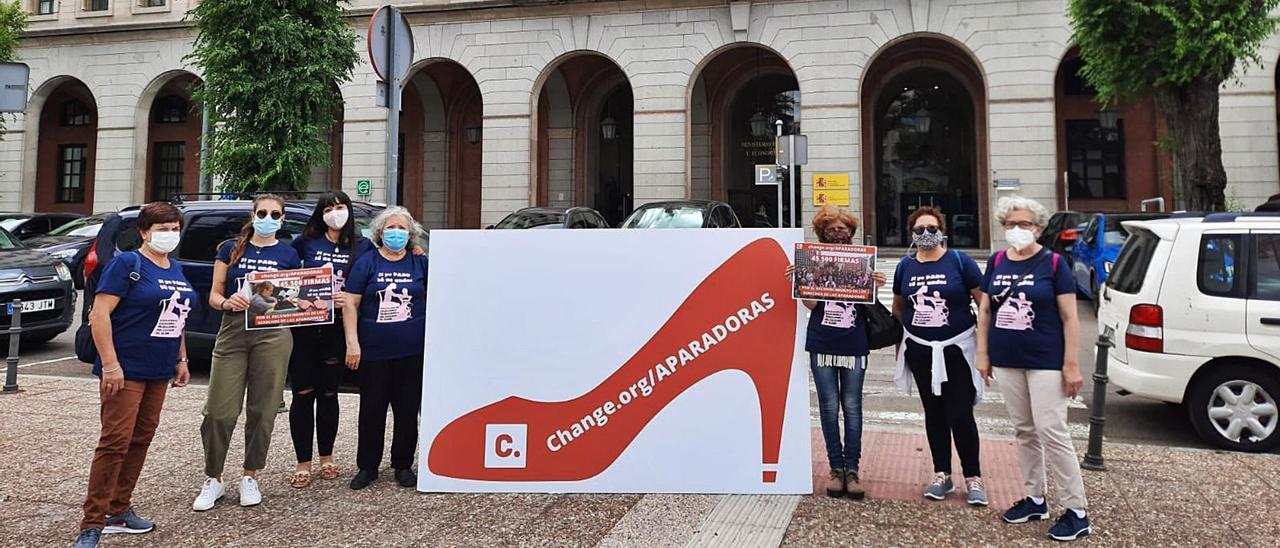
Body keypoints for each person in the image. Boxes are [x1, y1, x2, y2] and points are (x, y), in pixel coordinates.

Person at [73, 203, 195, 548]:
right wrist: (110, 364)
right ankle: (92, 522)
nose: (169, 234)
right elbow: (99, 315)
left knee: (141, 439)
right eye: (162, 228)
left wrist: (181, 358)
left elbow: (178, 315)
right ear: (143, 231)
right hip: (125, 368)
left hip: (159, 368)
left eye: (174, 228)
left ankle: (119, 508)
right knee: (114, 442)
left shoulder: (176, 267)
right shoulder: (128, 263)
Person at [977, 196, 1091, 542]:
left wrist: (1071, 364)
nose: (1017, 230)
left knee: (1052, 431)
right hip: (1008, 359)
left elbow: (1070, 318)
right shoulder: (997, 261)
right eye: (1010, 224)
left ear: (1039, 228)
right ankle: (1035, 497)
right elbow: (985, 312)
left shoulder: (1053, 264)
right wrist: (983, 355)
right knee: (1024, 430)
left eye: (1024, 224)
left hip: (1046, 360)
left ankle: (1077, 509)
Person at [194, 194, 302, 512]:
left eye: (275, 214)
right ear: (252, 214)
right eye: (262, 212)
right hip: (233, 331)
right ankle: (213, 478)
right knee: (218, 412)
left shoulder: (289, 253)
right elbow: (214, 294)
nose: (268, 217)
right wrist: (226, 302)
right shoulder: (230, 248)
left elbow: (294, 299)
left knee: (263, 410)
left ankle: (250, 475)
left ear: (282, 220)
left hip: (273, 334)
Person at [785, 205, 885, 500]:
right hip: (822, 342)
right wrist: (802, 281)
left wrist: (874, 285)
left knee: (852, 407)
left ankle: (852, 469)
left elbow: (868, 306)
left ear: (851, 232)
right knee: (829, 407)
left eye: (843, 229)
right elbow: (812, 307)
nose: (838, 234)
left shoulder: (862, 262)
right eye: (831, 229)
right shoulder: (813, 260)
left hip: (854, 342)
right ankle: (835, 469)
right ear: (822, 233)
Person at [890, 207, 987, 506]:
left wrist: (985, 349)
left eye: (931, 228)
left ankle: (973, 477)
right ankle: (941, 474)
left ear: (942, 230)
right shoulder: (905, 266)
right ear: (912, 234)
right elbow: (898, 307)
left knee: (960, 413)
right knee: (934, 414)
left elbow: (984, 304)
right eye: (919, 230)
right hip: (920, 351)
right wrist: (901, 349)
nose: (925, 234)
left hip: (958, 350)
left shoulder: (960, 261)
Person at [285, 191, 376, 489]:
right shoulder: (306, 241)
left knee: (328, 394)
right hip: (305, 328)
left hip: (338, 328)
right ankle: (303, 462)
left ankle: (327, 456)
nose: (335, 213)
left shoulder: (362, 247)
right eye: (328, 209)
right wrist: (297, 297)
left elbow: (380, 271)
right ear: (319, 214)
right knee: (302, 393)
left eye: (339, 208)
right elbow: (281, 278)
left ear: (348, 211)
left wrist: (415, 250)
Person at [343, 206, 429, 490]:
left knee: (406, 410)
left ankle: (403, 465)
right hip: (373, 351)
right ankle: (367, 466)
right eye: (390, 228)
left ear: (411, 234)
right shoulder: (367, 263)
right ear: (380, 232)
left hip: (412, 350)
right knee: (372, 410)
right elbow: (351, 304)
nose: (396, 233)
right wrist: (352, 343)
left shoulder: (420, 263)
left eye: (402, 228)